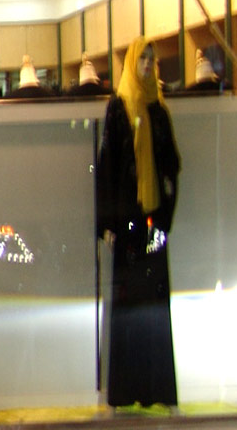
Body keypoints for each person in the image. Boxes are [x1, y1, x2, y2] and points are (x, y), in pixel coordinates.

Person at [95, 38, 181, 409]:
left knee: (155, 305)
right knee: (128, 306)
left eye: (152, 59)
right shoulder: (118, 108)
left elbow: (171, 165)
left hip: (153, 222)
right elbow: (108, 167)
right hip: (127, 224)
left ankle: (155, 390)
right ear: (132, 62)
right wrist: (107, 223)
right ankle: (126, 391)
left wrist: (165, 215)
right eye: (142, 58)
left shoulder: (159, 110)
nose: (147, 64)